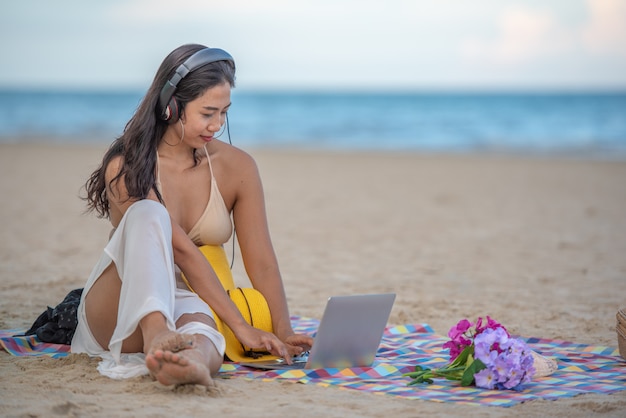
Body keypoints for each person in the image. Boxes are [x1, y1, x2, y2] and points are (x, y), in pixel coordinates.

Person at [71, 43, 314, 387]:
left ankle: (187, 364)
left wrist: (282, 329)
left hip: (186, 297)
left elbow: (262, 261)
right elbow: (182, 250)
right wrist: (242, 326)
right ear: (170, 106)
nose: (217, 124)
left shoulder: (237, 167)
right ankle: (156, 330)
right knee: (147, 213)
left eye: (225, 113)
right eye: (207, 112)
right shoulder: (127, 167)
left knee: (205, 333)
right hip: (118, 304)